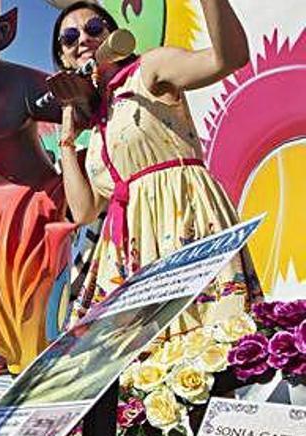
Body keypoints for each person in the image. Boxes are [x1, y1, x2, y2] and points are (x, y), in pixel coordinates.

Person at [48, 0, 262, 334]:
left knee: (209, 342)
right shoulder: (97, 123)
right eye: (69, 38)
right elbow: (84, 211)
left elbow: (228, 58)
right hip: (131, 249)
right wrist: (67, 125)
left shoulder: (149, 69)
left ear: (113, 37)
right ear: (63, 58)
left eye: (93, 29)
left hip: (182, 218)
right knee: (144, 367)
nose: (82, 41)